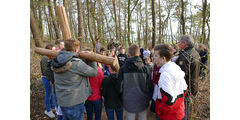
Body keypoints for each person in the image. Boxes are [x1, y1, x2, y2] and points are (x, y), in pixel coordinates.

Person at [51, 38, 98, 120]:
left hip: (62, 100)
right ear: (76, 49)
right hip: (74, 102)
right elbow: (94, 72)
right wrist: (92, 58)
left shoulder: (57, 60)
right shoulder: (76, 63)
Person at [119, 44, 153, 120]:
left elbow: (120, 87)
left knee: (130, 117)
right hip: (143, 100)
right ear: (139, 54)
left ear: (129, 54)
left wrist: (122, 99)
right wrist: (148, 98)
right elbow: (149, 86)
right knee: (142, 117)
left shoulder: (123, 68)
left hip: (129, 100)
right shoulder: (145, 68)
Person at [153, 44, 188, 120]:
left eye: (156, 56)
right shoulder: (176, 68)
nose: (153, 58)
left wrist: (160, 110)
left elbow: (169, 99)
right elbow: (185, 89)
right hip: (179, 112)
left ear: (163, 58)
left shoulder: (165, 75)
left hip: (168, 116)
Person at [175, 35, 200, 120]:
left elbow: (181, 75)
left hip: (186, 88)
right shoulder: (195, 53)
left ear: (184, 43)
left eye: (179, 42)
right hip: (193, 86)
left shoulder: (185, 56)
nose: (178, 44)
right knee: (187, 108)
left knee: (184, 111)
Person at [40, 44, 56, 118]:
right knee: (48, 94)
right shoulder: (44, 58)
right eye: (53, 50)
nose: (54, 51)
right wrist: (50, 79)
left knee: (52, 93)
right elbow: (46, 71)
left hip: (51, 79)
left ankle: (53, 107)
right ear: (49, 50)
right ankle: (48, 110)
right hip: (46, 79)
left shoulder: (51, 57)